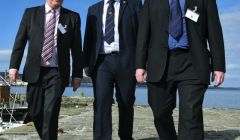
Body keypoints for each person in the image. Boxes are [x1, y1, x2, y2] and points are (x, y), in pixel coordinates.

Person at [135, 0, 225, 140]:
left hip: (193, 62)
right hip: (160, 63)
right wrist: (140, 64)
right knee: (160, 112)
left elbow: (214, 30)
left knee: (191, 114)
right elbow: (143, 33)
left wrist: (218, 66)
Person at [9, 0, 83, 139]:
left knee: (51, 111)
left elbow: (77, 48)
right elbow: (20, 41)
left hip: (57, 72)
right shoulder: (30, 13)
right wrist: (14, 66)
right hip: (35, 71)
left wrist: (77, 74)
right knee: (35, 111)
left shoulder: (72, 17)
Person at [83, 0, 141, 139]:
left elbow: (141, 35)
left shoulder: (134, 5)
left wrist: (142, 63)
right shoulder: (93, 9)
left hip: (127, 60)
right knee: (101, 102)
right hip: (102, 62)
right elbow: (88, 37)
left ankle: (126, 136)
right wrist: (85, 62)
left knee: (126, 101)